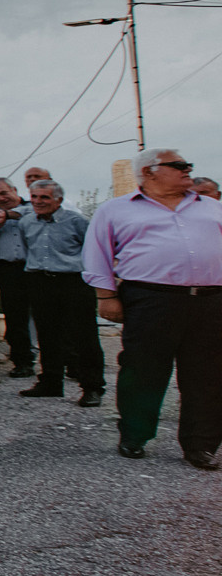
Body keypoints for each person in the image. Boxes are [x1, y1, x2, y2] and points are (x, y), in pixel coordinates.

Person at [82, 147, 222, 467]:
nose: (188, 169)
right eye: (179, 165)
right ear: (148, 172)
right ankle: (135, 435)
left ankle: (201, 445)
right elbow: (97, 255)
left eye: (188, 164)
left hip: (212, 300)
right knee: (143, 369)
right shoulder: (115, 210)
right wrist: (106, 297)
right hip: (150, 298)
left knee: (209, 375)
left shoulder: (213, 207)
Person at [18, 179, 104, 406]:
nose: (38, 201)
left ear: (58, 200)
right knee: (47, 335)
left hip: (73, 282)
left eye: (44, 197)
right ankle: (51, 382)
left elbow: (92, 251)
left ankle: (92, 387)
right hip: (40, 281)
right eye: (34, 197)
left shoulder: (77, 221)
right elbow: (28, 250)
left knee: (84, 336)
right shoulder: (26, 222)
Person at [0, 177, 39, 381]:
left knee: (49, 314)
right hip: (8, 269)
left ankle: (64, 361)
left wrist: (7, 215)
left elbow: (34, 216)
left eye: (3, 193)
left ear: (14, 189)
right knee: (15, 318)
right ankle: (22, 362)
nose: (0, 198)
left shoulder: (34, 207)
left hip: (36, 267)